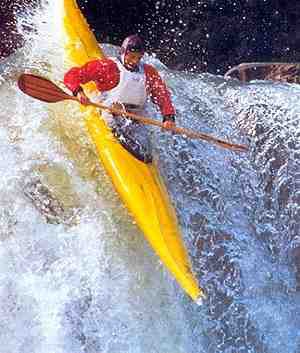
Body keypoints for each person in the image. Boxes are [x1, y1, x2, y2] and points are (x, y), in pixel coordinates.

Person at [63, 34, 176, 163]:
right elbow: (71, 75)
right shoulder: (108, 67)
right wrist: (79, 92)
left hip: (135, 116)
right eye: (132, 57)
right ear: (123, 53)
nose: (135, 61)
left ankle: (141, 157)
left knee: (146, 145)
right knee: (113, 120)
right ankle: (120, 140)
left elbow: (162, 95)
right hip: (109, 110)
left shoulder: (149, 72)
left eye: (139, 58)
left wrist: (168, 117)